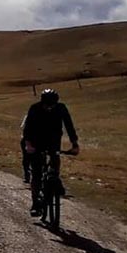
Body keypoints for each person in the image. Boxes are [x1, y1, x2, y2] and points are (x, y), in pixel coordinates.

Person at [22, 88, 80, 216]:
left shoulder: (61, 108)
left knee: (55, 161)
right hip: (36, 141)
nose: (49, 108)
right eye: (47, 105)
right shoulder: (35, 108)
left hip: (53, 141)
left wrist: (74, 143)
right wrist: (28, 144)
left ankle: (55, 181)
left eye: (52, 105)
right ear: (42, 102)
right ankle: (35, 203)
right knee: (37, 173)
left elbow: (69, 125)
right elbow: (27, 128)